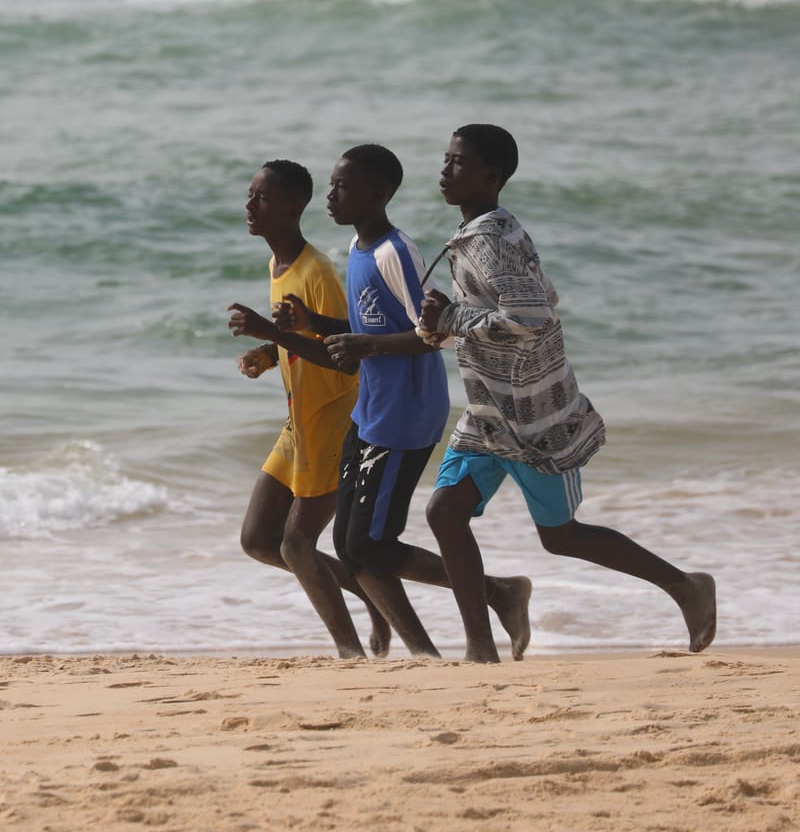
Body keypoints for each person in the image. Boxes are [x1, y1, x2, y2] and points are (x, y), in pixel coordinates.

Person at [419, 123, 717, 663]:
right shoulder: (489, 230)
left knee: (560, 536)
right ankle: (480, 647)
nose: (444, 170)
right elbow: (542, 293)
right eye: (445, 159)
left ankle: (686, 587)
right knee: (444, 512)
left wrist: (454, 317)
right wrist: (440, 325)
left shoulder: (487, 240)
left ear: (490, 177)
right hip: (489, 410)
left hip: (532, 413)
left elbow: (533, 314)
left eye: (457, 163)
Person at [274, 143, 533, 661]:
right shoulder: (356, 249)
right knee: (352, 548)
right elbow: (366, 327)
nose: (329, 196)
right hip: (370, 413)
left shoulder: (395, 252)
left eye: (341, 187)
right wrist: (315, 325)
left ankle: (498, 593)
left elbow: (437, 332)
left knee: (368, 545)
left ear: (378, 193)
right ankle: (426, 650)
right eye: (330, 185)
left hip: (406, 417)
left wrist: (367, 346)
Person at [227, 158, 391, 660]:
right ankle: (376, 597)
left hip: (332, 421)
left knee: (297, 545)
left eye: (263, 198)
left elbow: (343, 356)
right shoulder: (276, 266)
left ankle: (349, 653)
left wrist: (272, 333)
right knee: (258, 539)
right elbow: (302, 338)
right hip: (298, 421)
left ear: (294, 207)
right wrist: (270, 353)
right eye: (251, 195)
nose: (251, 206)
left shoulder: (315, 270)